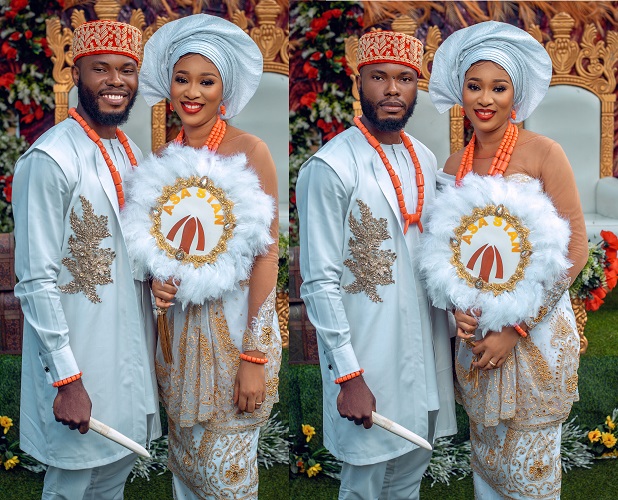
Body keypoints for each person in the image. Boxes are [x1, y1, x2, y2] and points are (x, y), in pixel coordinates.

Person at [428, 21, 588, 499]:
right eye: (474, 86)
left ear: (515, 94)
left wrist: (515, 328)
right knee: (489, 464)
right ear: (461, 91)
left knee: (530, 472)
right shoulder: (453, 167)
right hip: (475, 336)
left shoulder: (544, 153)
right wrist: (454, 306)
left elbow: (576, 246)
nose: (485, 99)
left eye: (498, 88)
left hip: (532, 336)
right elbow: (446, 253)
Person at [296, 31, 457, 499]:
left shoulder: (423, 158)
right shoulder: (331, 167)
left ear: (415, 88)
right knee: (364, 481)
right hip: (368, 355)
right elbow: (319, 282)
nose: (392, 89)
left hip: (423, 354)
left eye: (404, 78)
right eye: (379, 77)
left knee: (410, 475)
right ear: (357, 84)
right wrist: (349, 375)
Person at [12, 20, 160, 499]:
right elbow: (35, 279)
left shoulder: (129, 151)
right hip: (79, 355)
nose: (116, 81)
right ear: (76, 74)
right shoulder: (50, 159)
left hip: (128, 351)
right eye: (101, 69)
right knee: (72, 482)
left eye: (127, 70)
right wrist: (67, 378)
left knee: (114, 473)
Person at [138, 14, 281, 499]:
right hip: (177, 341)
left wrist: (254, 355)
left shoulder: (250, 150)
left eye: (206, 81)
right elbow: (157, 247)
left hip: (235, 336)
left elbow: (266, 255)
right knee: (186, 473)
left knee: (228, 479)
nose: (191, 92)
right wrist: (158, 281)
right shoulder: (161, 159)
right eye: (182, 79)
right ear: (168, 84)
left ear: (226, 89)